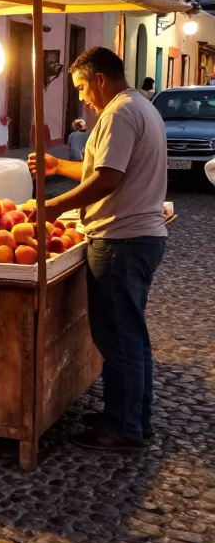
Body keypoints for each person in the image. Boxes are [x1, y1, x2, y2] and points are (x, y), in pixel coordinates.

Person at [28, 46, 167, 451]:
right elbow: (104, 167)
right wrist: (58, 167)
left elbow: (107, 179)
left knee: (120, 337)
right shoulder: (141, 106)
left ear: (100, 79)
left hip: (120, 239)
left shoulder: (119, 114)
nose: (82, 98)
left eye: (83, 88)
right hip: (141, 236)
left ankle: (122, 428)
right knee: (132, 335)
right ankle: (132, 417)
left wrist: (52, 206)